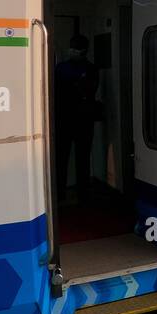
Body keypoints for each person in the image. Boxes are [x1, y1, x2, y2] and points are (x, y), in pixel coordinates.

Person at [55, 34, 100, 203]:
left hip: (70, 119)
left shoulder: (62, 69)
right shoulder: (89, 69)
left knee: (72, 159)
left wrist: (72, 86)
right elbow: (83, 91)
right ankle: (73, 195)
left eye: (76, 48)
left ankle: (72, 195)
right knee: (74, 159)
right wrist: (77, 84)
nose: (73, 51)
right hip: (78, 119)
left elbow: (87, 90)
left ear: (83, 51)